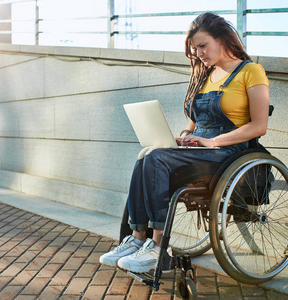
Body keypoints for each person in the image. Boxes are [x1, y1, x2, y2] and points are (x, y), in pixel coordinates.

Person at [99, 12, 269, 273]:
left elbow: (259, 126)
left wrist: (213, 142)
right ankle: (136, 239)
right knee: (148, 153)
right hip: (199, 148)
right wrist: (184, 137)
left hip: (228, 152)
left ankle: (158, 249)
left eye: (203, 45)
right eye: (194, 48)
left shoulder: (251, 71)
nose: (199, 53)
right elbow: (193, 122)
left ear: (222, 39)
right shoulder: (204, 75)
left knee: (155, 158)